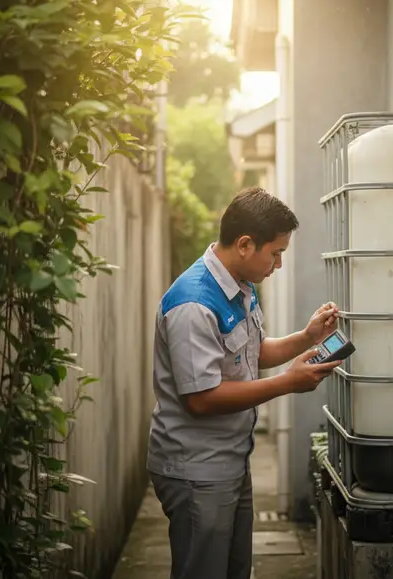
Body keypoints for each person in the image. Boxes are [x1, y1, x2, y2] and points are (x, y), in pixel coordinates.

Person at [147, 186, 342, 579]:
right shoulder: (193, 304)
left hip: (230, 460)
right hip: (197, 470)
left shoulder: (239, 284)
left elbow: (251, 353)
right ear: (245, 245)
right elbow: (202, 398)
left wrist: (307, 337)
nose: (278, 265)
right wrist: (288, 383)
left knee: (235, 570)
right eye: (275, 254)